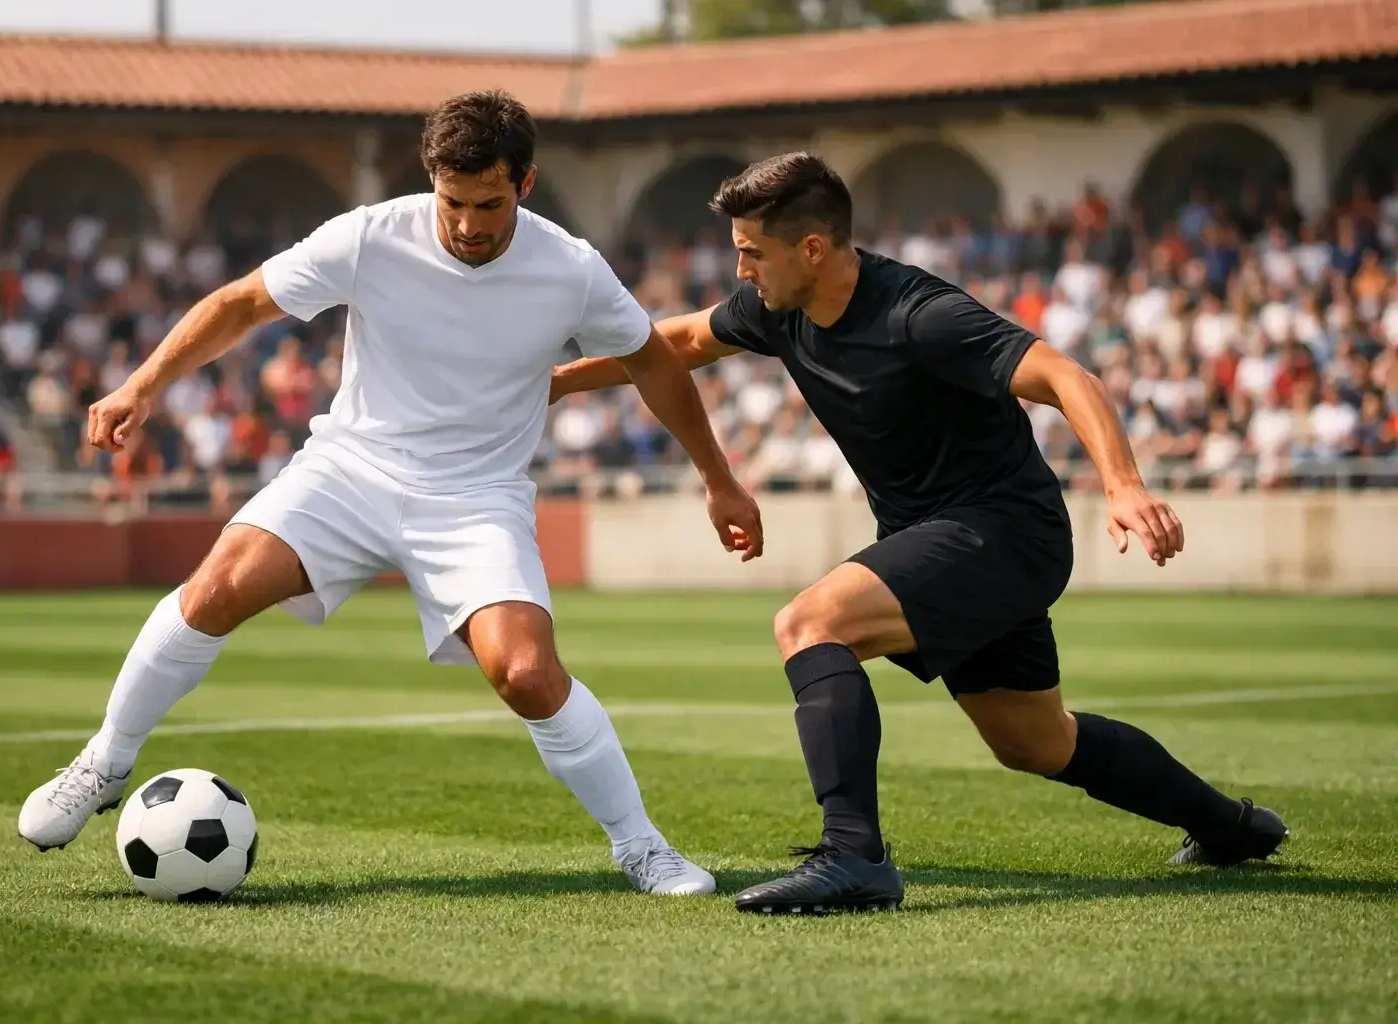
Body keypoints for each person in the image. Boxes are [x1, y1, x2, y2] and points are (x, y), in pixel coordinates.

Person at [18, 90, 765, 897]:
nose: (470, 224)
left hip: (477, 497)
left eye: (491, 203)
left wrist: (718, 482)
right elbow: (241, 303)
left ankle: (643, 847)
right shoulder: (370, 235)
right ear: (430, 182)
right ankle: (103, 762)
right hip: (351, 470)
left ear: (528, 183)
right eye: (453, 202)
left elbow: (654, 360)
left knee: (525, 673)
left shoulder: (572, 268)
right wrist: (143, 383)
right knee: (215, 589)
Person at [550, 152, 1288, 915]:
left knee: (809, 624)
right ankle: (1229, 827)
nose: (739, 270)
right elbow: (675, 343)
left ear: (811, 250)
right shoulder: (777, 309)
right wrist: (561, 379)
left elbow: (1071, 377)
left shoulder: (919, 314)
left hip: (1006, 530)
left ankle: (853, 858)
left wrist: (1125, 485)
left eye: (751, 252)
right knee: (1036, 742)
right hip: (947, 537)